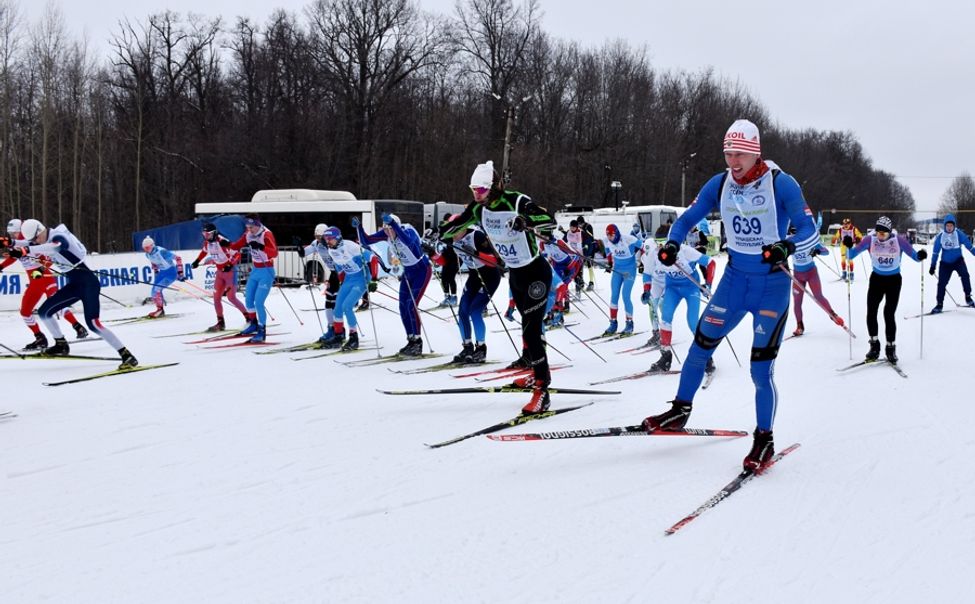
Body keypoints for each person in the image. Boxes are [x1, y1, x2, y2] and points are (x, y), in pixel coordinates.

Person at [643, 119, 820, 472]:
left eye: (739, 154)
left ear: (755, 153)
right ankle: (680, 409)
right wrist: (673, 244)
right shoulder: (720, 183)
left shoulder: (781, 184)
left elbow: (809, 230)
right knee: (699, 346)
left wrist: (786, 246)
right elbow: (686, 218)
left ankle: (764, 439)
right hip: (735, 282)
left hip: (771, 286)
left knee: (760, 370)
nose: (732, 162)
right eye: (728, 154)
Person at [441, 160, 557, 415]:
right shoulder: (478, 209)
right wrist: (442, 234)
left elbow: (548, 219)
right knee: (527, 328)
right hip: (515, 274)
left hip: (536, 271)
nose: (476, 194)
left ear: (493, 186)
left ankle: (542, 389)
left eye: (481, 190)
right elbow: (456, 228)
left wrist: (524, 219)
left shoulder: (515, 200)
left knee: (531, 329)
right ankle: (537, 371)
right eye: (473, 189)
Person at [5, 219, 137, 369]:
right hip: (74, 284)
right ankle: (61, 344)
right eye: (32, 240)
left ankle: (127, 355)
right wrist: (9, 242)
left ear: (40, 230)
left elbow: (56, 247)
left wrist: (26, 250)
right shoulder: (42, 239)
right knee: (44, 312)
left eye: (35, 238)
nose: (35, 242)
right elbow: (29, 245)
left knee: (93, 324)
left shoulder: (58, 236)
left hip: (88, 284)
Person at [845, 216, 926, 362]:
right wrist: (847, 245)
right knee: (871, 312)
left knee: (888, 313)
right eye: (878, 232)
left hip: (893, 281)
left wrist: (920, 255)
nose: (880, 236)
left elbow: (914, 256)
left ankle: (890, 348)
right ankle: (874, 345)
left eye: (884, 233)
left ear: (890, 232)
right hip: (876, 279)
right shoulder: (870, 240)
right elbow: (851, 255)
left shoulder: (898, 240)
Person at [1, 219, 88, 349]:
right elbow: (13, 257)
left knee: (55, 306)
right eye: (10, 233)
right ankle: (41, 337)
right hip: (36, 282)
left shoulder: (33, 241)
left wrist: (40, 269)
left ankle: (76, 328)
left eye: (14, 232)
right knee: (26, 311)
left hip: (44, 278)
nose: (12, 235)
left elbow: (49, 258)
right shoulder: (18, 244)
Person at [357, 214, 433, 356]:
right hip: (408, 273)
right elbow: (365, 240)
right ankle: (411, 340)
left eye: (389, 229)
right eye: (385, 230)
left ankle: (418, 341)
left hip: (422, 270)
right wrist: (359, 227)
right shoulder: (387, 232)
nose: (387, 233)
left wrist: (394, 226)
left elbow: (410, 244)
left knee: (411, 306)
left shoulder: (408, 231)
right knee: (402, 306)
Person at [646, 242, 716, 374]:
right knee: (665, 318)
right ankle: (665, 356)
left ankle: (706, 356)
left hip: (690, 287)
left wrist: (708, 284)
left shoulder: (685, 251)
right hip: (672, 288)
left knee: (692, 322)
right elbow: (647, 272)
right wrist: (646, 289)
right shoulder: (657, 255)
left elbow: (711, 263)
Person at [446, 220, 503, 363]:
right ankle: (467, 347)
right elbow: (445, 262)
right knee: (463, 311)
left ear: (463, 228)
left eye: (455, 232)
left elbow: (495, 261)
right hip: (474, 276)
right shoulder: (451, 239)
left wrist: (476, 253)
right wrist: (432, 254)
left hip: (489, 276)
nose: (452, 236)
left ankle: (481, 349)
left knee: (475, 310)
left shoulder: (476, 236)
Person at [320, 226, 379, 351]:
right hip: (348, 279)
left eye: (330, 239)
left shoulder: (350, 246)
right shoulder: (331, 250)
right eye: (326, 239)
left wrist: (373, 279)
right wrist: (342, 281)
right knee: (337, 309)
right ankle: (338, 335)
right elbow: (339, 268)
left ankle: (353, 338)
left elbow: (373, 258)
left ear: (337, 238)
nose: (328, 241)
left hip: (361, 278)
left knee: (347, 307)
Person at [228, 214, 277, 343]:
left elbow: (274, 253)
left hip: (266, 271)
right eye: (247, 227)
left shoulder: (266, 234)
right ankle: (254, 324)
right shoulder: (248, 233)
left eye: (251, 227)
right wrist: (223, 243)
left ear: (257, 225)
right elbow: (236, 245)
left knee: (259, 302)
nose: (249, 230)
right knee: (248, 299)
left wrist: (261, 247)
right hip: (255, 270)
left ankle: (262, 331)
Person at [191, 222, 247, 332]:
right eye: (204, 234)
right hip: (220, 273)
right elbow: (204, 251)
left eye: (208, 234)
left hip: (230, 272)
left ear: (215, 233)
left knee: (231, 298)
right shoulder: (207, 243)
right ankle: (221, 323)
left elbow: (237, 254)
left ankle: (249, 319)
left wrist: (230, 265)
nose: (206, 237)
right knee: (216, 298)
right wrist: (197, 261)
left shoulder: (222, 242)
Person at [790, 226, 844, 336]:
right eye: (793, 233)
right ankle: (799, 326)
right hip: (798, 276)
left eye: (798, 234)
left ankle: (833, 315)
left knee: (818, 296)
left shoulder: (809, 241)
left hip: (811, 273)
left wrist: (817, 250)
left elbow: (826, 251)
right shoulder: (789, 242)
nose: (796, 237)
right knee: (797, 302)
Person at [297, 223, 343, 341]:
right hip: (333, 274)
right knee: (328, 303)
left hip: (341, 273)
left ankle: (340, 331)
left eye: (320, 237)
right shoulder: (316, 243)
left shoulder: (332, 244)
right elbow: (303, 253)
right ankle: (331, 328)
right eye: (316, 236)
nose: (318, 239)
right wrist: (299, 246)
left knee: (336, 304)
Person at [928, 214, 975, 312]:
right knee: (941, 283)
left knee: (965, 275)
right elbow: (935, 253)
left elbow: (969, 246)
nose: (949, 228)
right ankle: (939, 304)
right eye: (947, 226)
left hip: (958, 261)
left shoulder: (959, 234)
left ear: (954, 226)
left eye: (951, 226)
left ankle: (968, 297)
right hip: (945, 264)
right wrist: (933, 265)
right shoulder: (940, 237)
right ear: (945, 226)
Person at [602, 223, 642, 335]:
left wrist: (642, 261)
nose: (610, 237)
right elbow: (608, 251)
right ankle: (613, 323)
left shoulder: (628, 239)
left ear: (617, 233)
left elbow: (643, 247)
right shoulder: (606, 240)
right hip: (617, 270)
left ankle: (629, 323)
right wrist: (609, 263)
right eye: (608, 235)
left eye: (612, 235)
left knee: (625, 295)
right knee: (614, 295)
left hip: (629, 270)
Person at [142, 236, 185, 318]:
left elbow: (178, 258)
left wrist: (180, 273)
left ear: (152, 245)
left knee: (157, 289)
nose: (146, 250)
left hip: (170, 272)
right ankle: (159, 309)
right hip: (162, 273)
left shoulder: (162, 251)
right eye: (144, 248)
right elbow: (153, 262)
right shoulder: (147, 255)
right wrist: (156, 272)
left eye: (147, 248)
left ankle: (160, 311)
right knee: (153, 292)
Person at [639, 236, 662, 347]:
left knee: (663, 307)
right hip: (655, 284)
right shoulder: (645, 257)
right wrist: (646, 290)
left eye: (649, 250)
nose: (648, 253)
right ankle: (656, 332)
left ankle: (665, 332)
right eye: (646, 250)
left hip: (666, 284)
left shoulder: (661, 255)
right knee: (652, 306)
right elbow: (646, 274)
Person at [563, 220, 586, 293]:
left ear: (576, 227)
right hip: (570, 255)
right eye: (571, 227)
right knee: (569, 273)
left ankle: (578, 290)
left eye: (573, 227)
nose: (572, 229)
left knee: (577, 273)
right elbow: (565, 242)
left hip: (578, 255)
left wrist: (580, 256)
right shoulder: (568, 232)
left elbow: (580, 246)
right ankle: (566, 290)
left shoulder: (579, 233)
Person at [577, 215, 597, 291]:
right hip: (583, 247)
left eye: (580, 224)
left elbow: (591, 236)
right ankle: (581, 281)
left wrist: (585, 230)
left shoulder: (588, 226)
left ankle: (591, 282)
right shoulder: (578, 227)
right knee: (580, 265)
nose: (580, 225)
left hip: (591, 246)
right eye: (578, 224)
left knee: (589, 264)